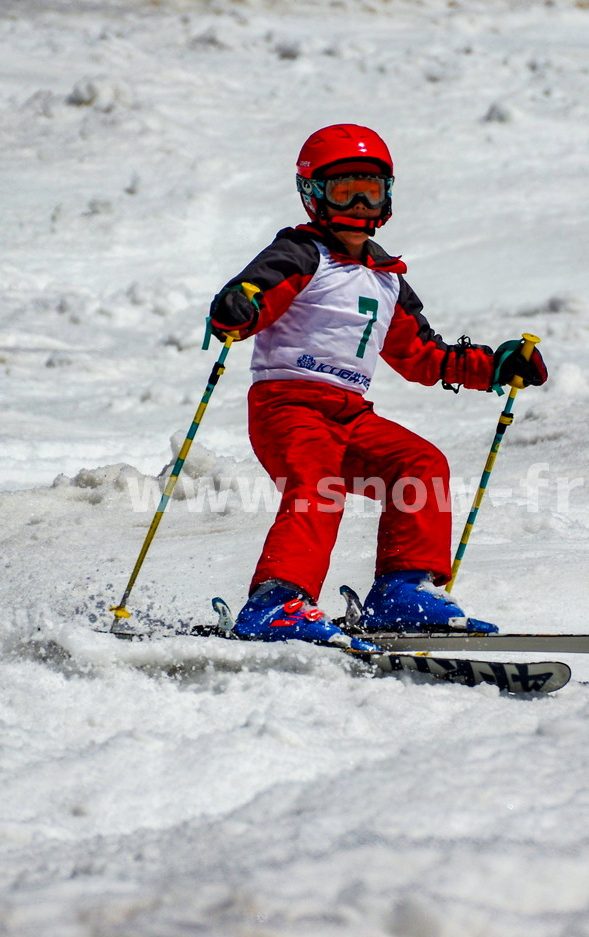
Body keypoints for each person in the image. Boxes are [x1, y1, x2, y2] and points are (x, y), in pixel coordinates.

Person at [207, 123, 547, 648]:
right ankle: (276, 602)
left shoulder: (387, 278)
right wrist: (239, 307)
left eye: (372, 188)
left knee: (419, 465)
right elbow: (255, 294)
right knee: (318, 487)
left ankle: (402, 590)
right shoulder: (300, 253)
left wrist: (494, 368)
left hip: (350, 415)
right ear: (313, 194)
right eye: (345, 190)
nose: (361, 202)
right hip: (289, 406)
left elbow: (422, 355)